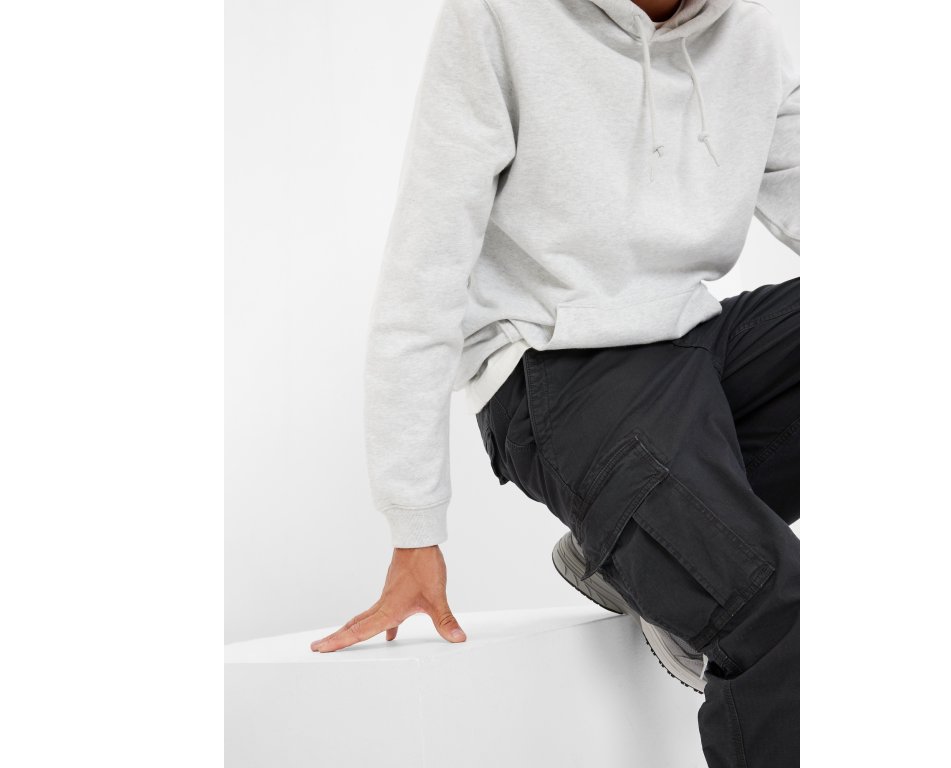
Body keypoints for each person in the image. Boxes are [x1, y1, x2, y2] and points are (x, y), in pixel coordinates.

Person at [311, 0, 799, 765]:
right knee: (779, 613)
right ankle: (662, 554)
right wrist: (414, 529)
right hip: (555, 368)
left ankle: (648, 558)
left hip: (690, 342)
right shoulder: (500, 17)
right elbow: (421, 277)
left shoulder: (751, 29)